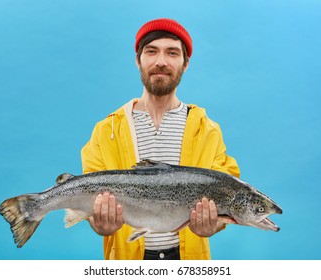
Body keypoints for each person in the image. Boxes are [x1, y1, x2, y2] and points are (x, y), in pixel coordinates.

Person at [81, 18, 240, 260]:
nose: (161, 62)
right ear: (138, 60)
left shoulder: (207, 130)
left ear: (185, 64)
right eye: (151, 51)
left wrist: (213, 224)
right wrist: (99, 223)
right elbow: (90, 205)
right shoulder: (106, 130)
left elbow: (225, 200)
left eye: (172, 53)